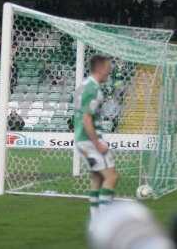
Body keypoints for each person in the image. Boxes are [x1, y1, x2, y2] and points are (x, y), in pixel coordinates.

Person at [74, 55, 119, 231]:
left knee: (97, 177)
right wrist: (97, 142)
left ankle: (95, 222)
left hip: (81, 139)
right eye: (108, 67)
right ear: (100, 68)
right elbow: (86, 118)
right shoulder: (93, 89)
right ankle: (104, 224)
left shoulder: (83, 86)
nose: (110, 70)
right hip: (90, 140)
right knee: (112, 176)